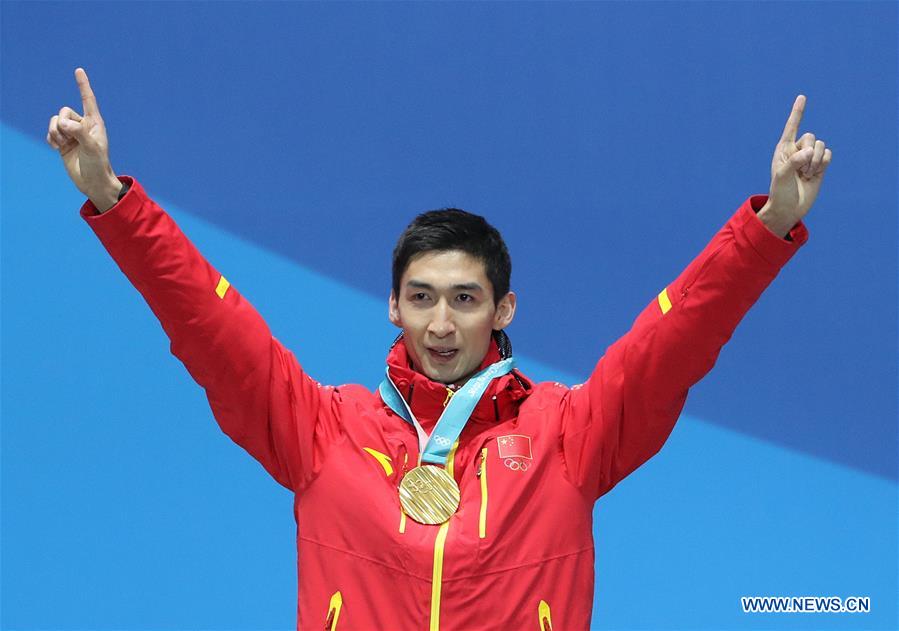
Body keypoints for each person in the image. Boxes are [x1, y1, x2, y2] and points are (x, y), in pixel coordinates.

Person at [48, 67, 832, 631]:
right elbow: (211, 329)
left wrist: (762, 231)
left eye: (464, 299)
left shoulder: (569, 434)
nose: (441, 323)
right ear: (392, 306)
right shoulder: (323, 430)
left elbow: (676, 339)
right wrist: (114, 201)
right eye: (421, 298)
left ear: (503, 309)